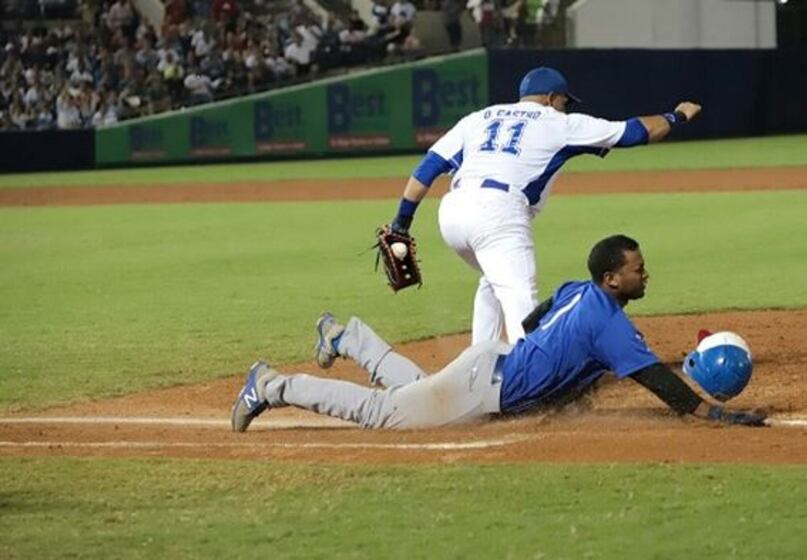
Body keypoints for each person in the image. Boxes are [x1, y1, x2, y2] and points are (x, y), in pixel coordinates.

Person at [231, 234, 766, 432]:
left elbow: (535, 320)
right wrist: (719, 415)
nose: (644, 274)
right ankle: (271, 385)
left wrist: (561, 371)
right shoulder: (611, 323)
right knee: (382, 412)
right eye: (637, 269)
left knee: (417, 391)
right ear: (611, 279)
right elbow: (663, 388)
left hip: (492, 361)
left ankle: (347, 338)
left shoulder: (579, 290)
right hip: (484, 385)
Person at [388, 66, 701, 345]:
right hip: (497, 213)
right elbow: (635, 132)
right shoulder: (558, 122)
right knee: (521, 302)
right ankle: (532, 386)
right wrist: (678, 116)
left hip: (453, 214)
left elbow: (426, 170)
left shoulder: (478, 118)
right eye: (565, 102)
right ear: (552, 98)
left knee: (494, 280)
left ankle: (481, 364)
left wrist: (401, 223)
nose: (566, 108)